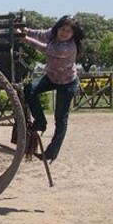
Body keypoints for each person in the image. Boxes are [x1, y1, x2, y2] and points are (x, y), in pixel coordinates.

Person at [20, 15, 84, 162]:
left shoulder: (68, 47)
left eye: (69, 31)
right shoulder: (53, 34)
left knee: (60, 119)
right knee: (29, 89)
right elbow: (40, 34)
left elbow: (45, 49)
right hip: (51, 77)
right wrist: (25, 30)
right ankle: (41, 122)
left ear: (73, 34)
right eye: (63, 29)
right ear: (58, 28)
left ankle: (51, 153)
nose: (64, 33)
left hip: (67, 83)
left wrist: (25, 39)